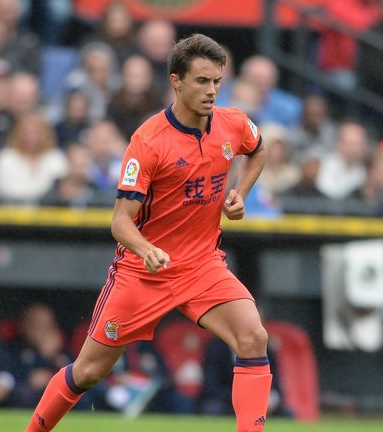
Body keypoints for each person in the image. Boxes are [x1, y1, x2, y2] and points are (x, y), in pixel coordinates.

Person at [25, 34, 271, 432]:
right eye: (202, 81)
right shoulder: (148, 141)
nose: (211, 91)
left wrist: (240, 193)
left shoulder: (234, 123)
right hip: (144, 273)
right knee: (88, 371)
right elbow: (120, 221)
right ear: (177, 81)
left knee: (253, 336)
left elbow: (258, 149)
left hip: (202, 266)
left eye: (216, 81)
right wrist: (145, 249)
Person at [0, 113, 67, 204]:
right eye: (26, 133)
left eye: (36, 132)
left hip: (48, 210)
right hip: (13, 210)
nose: (31, 137)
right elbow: (7, 192)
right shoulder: (5, 158)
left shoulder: (56, 158)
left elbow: (60, 191)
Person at [10, 303, 73, 408]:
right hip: (28, 400)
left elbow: (74, 374)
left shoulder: (61, 349)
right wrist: (42, 357)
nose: (42, 331)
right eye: (37, 325)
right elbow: (13, 376)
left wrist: (49, 356)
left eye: (47, 326)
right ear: (24, 325)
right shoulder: (15, 347)